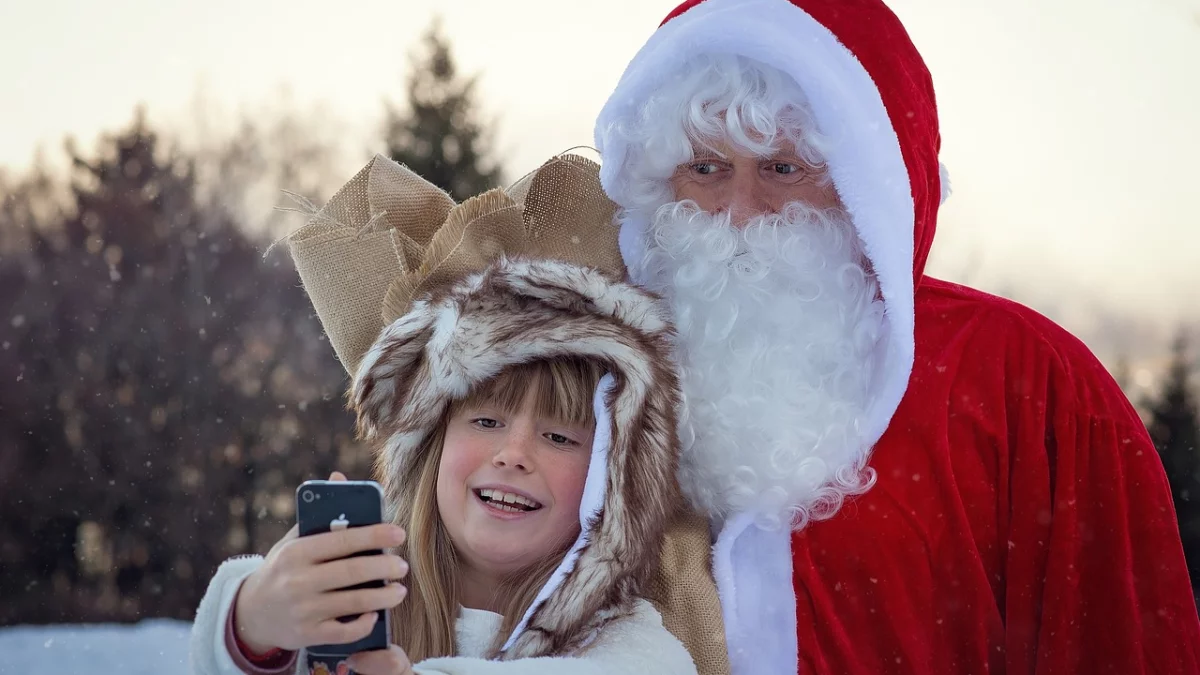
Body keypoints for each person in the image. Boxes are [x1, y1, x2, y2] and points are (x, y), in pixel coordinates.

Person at [592, 0, 1200, 673]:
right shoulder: (582, 377)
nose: (739, 212)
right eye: (705, 169)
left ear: (862, 186)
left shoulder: (1025, 381)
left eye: (783, 169)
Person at [189, 153, 698, 675]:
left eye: (559, 437)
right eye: (486, 421)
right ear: (430, 446)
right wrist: (254, 623)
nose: (514, 454)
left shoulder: (632, 648)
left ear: (609, 482)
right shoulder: (349, 606)